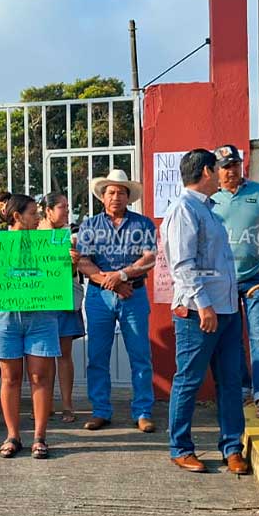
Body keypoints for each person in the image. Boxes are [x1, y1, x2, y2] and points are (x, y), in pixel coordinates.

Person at [162, 149, 249, 475]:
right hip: (200, 313)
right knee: (189, 380)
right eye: (219, 168)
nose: (225, 174)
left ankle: (231, 448)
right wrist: (204, 304)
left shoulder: (209, 210)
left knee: (230, 381)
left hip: (225, 310)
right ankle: (181, 448)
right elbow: (183, 265)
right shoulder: (184, 210)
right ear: (207, 171)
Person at [77, 172, 158, 432]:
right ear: (102, 197)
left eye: (121, 192)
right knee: (97, 356)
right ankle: (100, 410)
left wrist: (122, 276)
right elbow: (84, 261)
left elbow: (150, 258)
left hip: (133, 294)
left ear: (128, 197)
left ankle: (143, 412)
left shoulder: (143, 224)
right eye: (110, 192)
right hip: (99, 297)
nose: (115, 197)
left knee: (140, 355)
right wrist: (110, 282)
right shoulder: (89, 226)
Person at [209, 145, 259, 418]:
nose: (231, 171)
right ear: (216, 170)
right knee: (232, 338)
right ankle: (242, 388)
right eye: (226, 166)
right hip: (222, 281)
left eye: (235, 165)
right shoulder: (210, 198)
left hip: (255, 277)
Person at [0, 194, 60, 460]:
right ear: (17, 216)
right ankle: (12, 436)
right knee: (9, 378)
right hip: (5, 317)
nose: (39, 218)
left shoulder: (49, 243)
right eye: (33, 213)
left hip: (41, 316)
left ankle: (40, 437)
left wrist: (68, 262)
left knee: (40, 377)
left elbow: (55, 275)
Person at [40, 191, 84, 424]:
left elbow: (74, 273)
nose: (67, 211)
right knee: (43, 356)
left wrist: (74, 263)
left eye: (68, 207)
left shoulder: (71, 235)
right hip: (41, 302)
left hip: (65, 299)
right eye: (62, 207)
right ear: (48, 211)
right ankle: (45, 403)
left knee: (64, 354)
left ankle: (67, 405)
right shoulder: (33, 237)